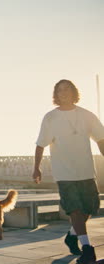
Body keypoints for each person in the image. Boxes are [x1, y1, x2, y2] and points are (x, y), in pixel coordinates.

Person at [33, 79, 104, 264]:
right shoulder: (50, 117)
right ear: (56, 95)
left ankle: (72, 235)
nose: (64, 93)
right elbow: (40, 144)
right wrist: (36, 168)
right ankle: (87, 248)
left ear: (74, 92)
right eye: (60, 90)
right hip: (64, 172)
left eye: (67, 89)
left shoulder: (87, 115)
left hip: (86, 170)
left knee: (90, 208)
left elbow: (101, 139)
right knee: (75, 209)